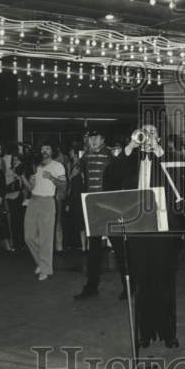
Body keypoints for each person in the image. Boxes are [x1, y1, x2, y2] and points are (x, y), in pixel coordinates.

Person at [106, 124, 181, 348]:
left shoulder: (167, 158)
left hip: (162, 225)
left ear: (159, 137)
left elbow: (179, 176)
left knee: (164, 281)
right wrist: (130, 145)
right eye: (143, 133)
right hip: (137, 225)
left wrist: (158, 149)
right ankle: (144, 332)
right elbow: (111, 176)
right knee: (141, 281)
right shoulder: (129, 160)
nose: (147, 137)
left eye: (152, 134)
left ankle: (168, 332)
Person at [74, 128, 114, 299]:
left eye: (96, 137)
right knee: (94, 247)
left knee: (119, 245)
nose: (93, 140)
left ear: (103, 139)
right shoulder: (86, 157)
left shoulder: (111, 155)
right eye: (91, 138)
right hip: (92, 206)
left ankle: (130, 284)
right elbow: (77, 176)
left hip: (109, 205)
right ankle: (91, 286)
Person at [24, 142, 66, 280]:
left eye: (47, 148)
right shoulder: (36, 166)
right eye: (42, 148)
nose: (44, 151)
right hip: (33, 201)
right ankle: (41, 263)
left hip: (48, 202)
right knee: (28, 236)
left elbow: (64, 186)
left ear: (52, 151)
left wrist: (52, 178)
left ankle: (46, 270)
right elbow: (31, 187)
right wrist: (26, 179)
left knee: (46, 238)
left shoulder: (57, 166)